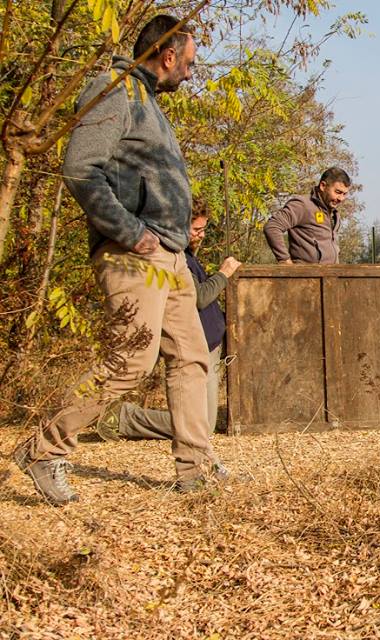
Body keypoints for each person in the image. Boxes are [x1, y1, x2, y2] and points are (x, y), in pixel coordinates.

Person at [13, 15, 225, 505]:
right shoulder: (115, 90)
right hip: (136, 254)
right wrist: (132, 233)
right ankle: (44, 449)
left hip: (170, 256)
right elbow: (81, 170)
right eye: (189, 63)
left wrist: (171, 245)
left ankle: (197, 469)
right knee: (132, 358)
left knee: (192, 360)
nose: (190, 73)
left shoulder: (147, 101)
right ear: (168, 55)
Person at [95, 203, 240, 442]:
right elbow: (200, 297)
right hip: (195, 346)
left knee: (205, 423)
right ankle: (122, 417)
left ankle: (125, 418)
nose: (201, 235)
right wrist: (224, 274)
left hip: (211, 345)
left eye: (203, 229)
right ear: (180, 227)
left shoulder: (189, 256)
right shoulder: (176, 259)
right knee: (202, 424)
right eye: (196, 229)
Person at [263, 167, 351, 264]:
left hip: (330, 277)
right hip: (306, 276)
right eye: (337, 192)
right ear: (323, 186)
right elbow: (272, 226)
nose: (341, 198)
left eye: (344, 194)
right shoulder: (303, 205)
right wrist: (285, 260)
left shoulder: (334, 214)